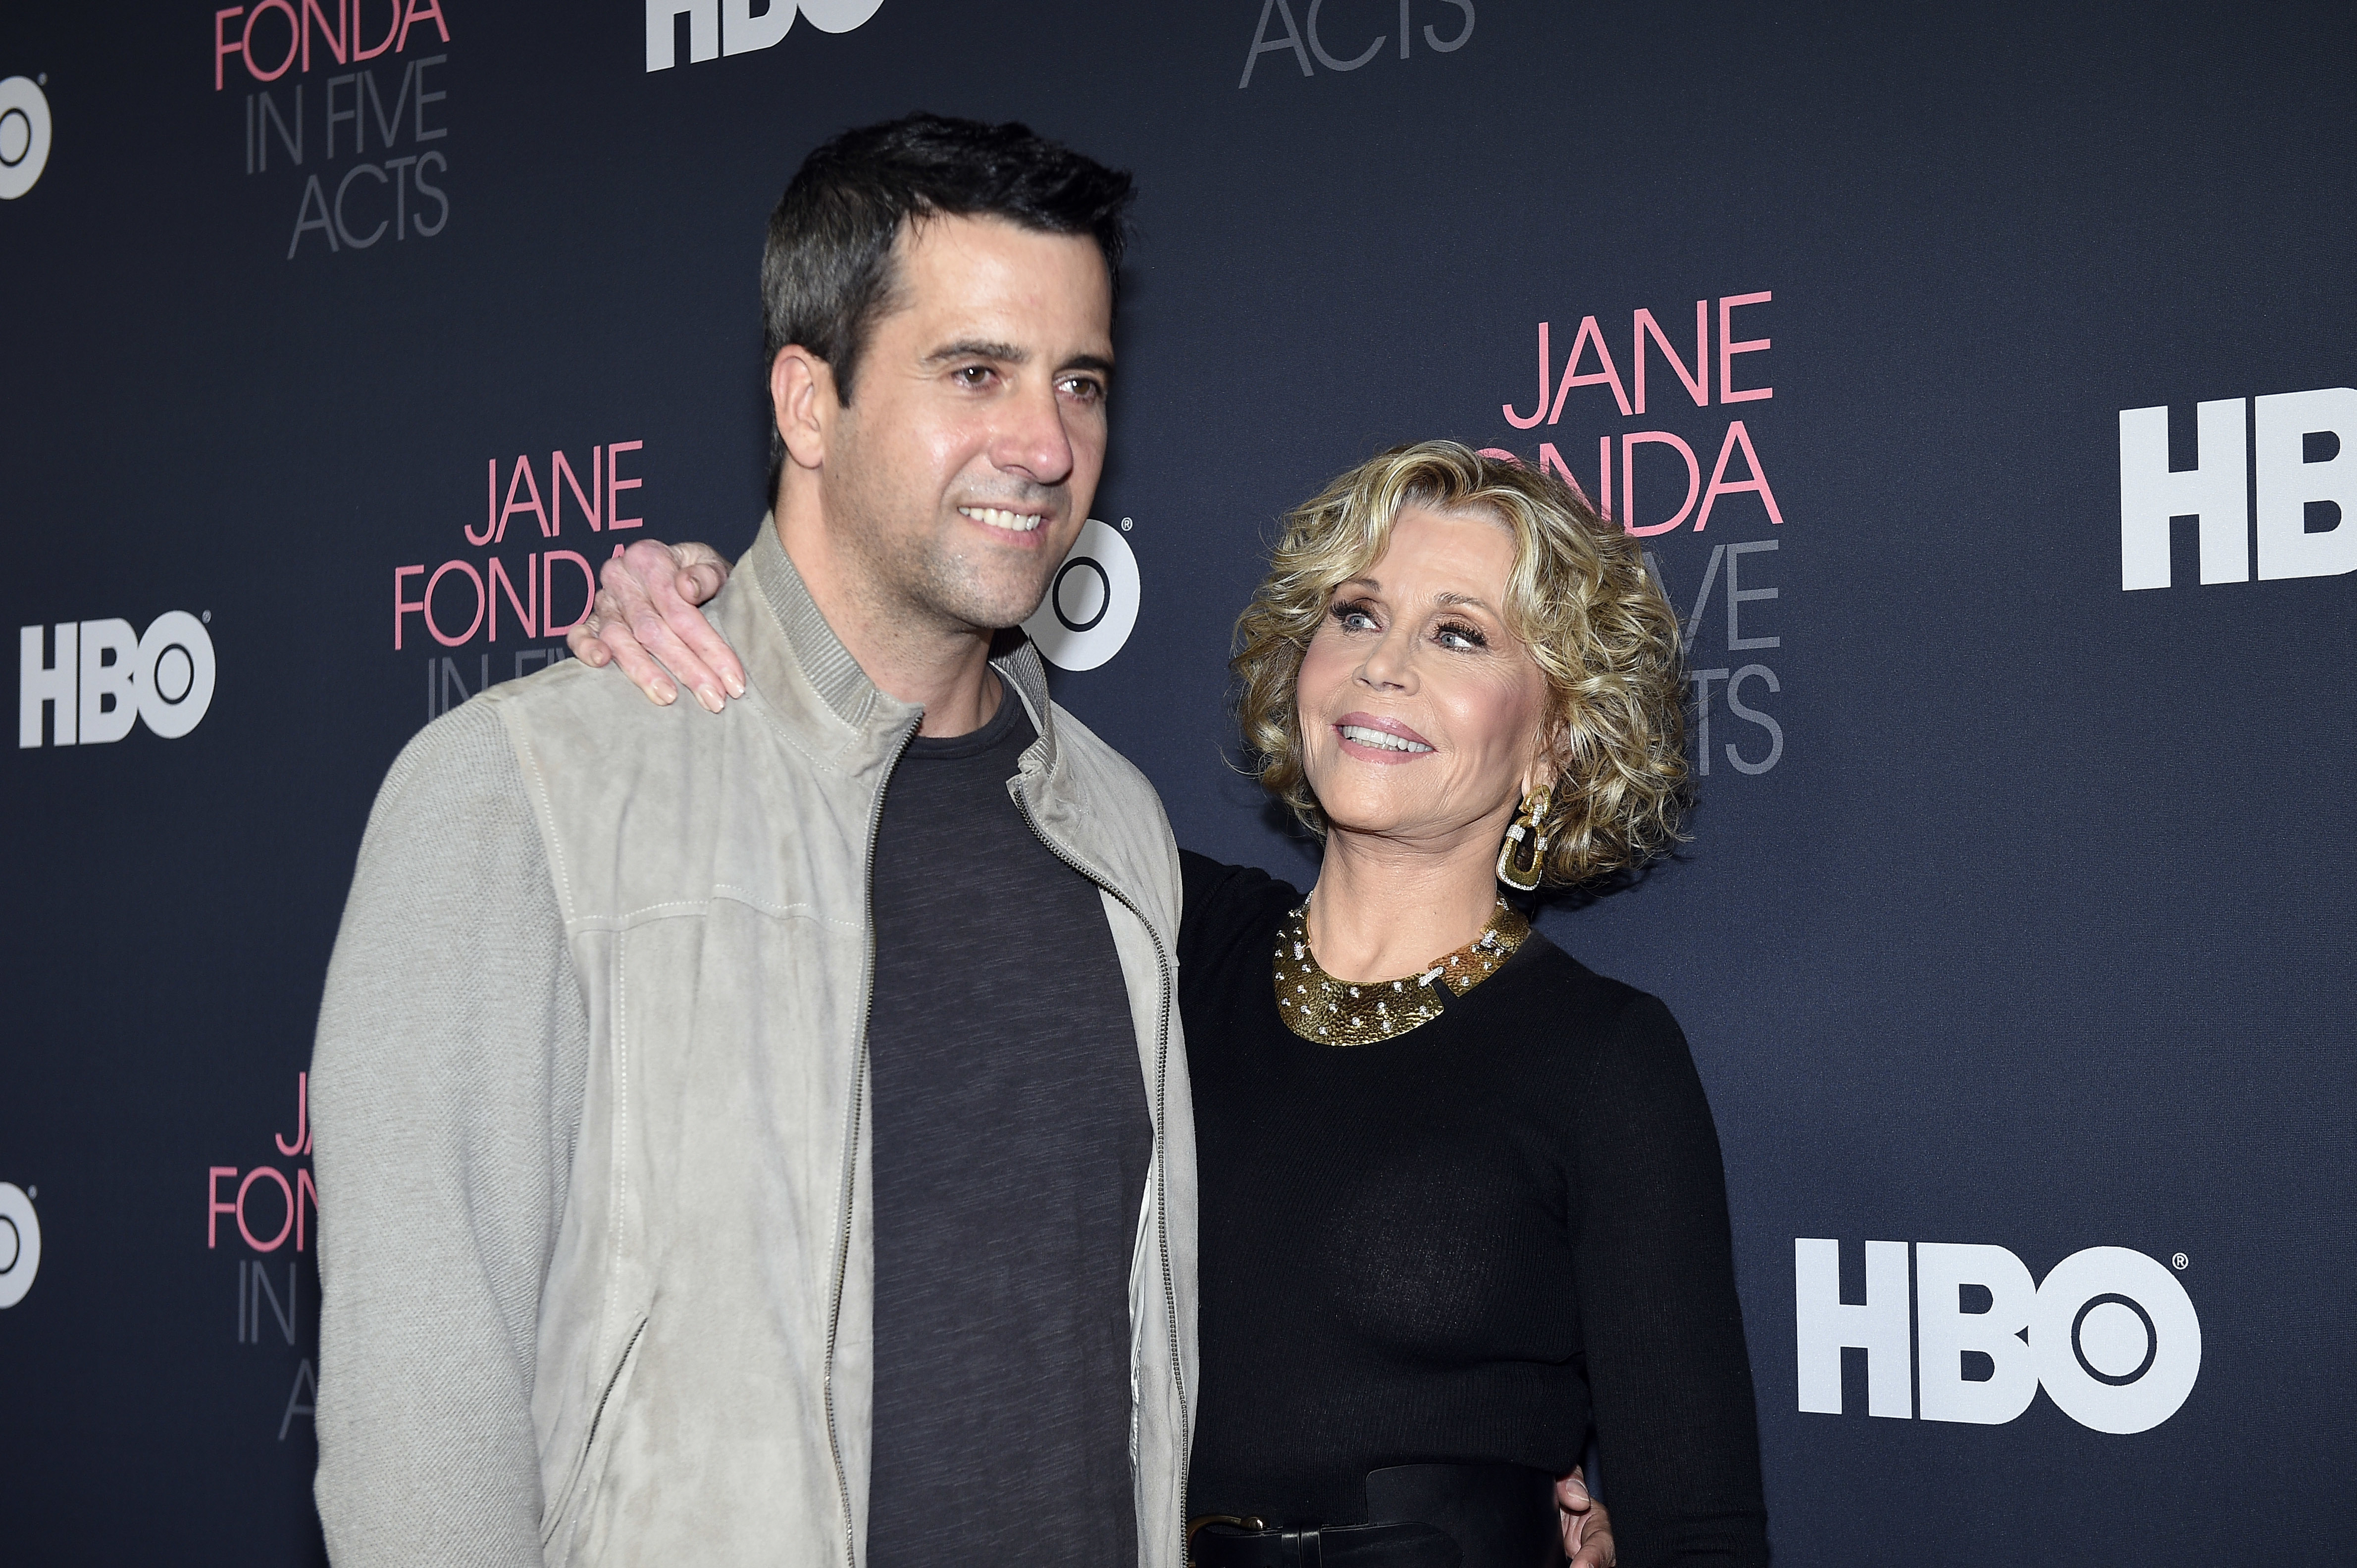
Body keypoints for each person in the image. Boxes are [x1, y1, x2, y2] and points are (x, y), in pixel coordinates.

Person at [578, 443, 1767, 1564]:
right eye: (1355, 613)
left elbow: (1698, 1534)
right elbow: (902, 738)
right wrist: (701, 602)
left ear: (1555, 741)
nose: (1382, 662)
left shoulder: (1602, 1061)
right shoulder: (1150, 922)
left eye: (1459, 634)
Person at [308, 115, 1198, 1567]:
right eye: (974, 371)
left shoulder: (1115, 825)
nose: (1044, 446)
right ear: (807, 401)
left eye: (1078, 382)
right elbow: (425, 1422)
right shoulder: (519, 789)